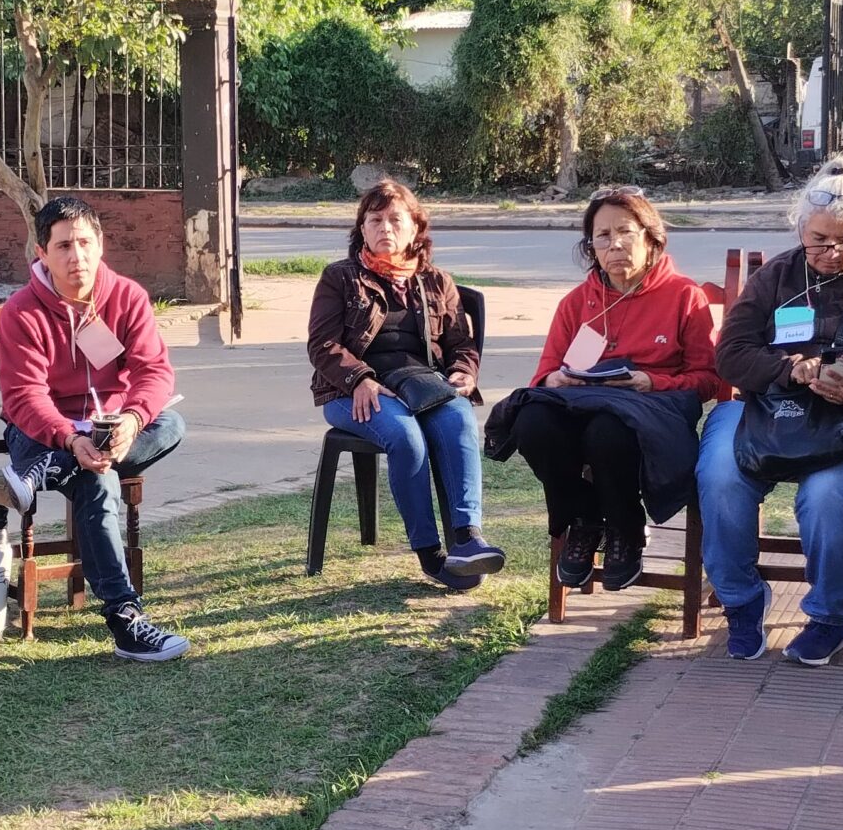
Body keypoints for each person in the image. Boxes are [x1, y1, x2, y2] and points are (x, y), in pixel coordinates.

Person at [700, 156, 843, 665]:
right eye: (820, 239)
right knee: (720, 477)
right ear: (802, 228)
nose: (831, 251)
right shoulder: (775, 276)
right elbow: (730, 355)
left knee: (826, 494)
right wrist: (792, 371)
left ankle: (828, 617)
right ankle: (740, 602)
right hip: (771, 405)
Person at [0, 195, 192, 662]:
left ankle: (50, 470)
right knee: (97, 477)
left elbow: (155, 372)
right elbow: (24, 397)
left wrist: (133, 419)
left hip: (110, 425)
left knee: (172, 423)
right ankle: (126, 621)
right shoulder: (21, 312)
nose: (76, 256)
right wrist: (68, 438)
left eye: (85, 242)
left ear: (101, 244)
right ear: (41, 253)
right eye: (62, 246)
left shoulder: (127, 297)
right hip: (42, 431)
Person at [504, 187, 722, 596]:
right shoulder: (577, 302)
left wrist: (652, 381)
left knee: (608, 430)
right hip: (583, 403)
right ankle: (585, 518)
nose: (615, 244)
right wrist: (556, 380)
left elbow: (708, 379)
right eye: (602, 236)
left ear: (650, 237)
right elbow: (544, 374)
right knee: (532, 422)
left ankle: (626, 528)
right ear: (591, 247)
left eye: (625, 231)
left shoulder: (684, 296)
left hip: (654, 408)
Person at [307, 179, 503, 592]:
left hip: (423, 385)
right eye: (374, 220)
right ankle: (431, 555)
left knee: (460, 420)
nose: (385, 228)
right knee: (406, 437)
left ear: (415, 228)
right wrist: (359, 378)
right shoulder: (339, 278)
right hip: (353, 390)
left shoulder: (436, 281)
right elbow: (322, 345)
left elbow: (460, 344)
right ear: (361, 229)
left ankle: (467, 538)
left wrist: (465, 372)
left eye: (395, 219)